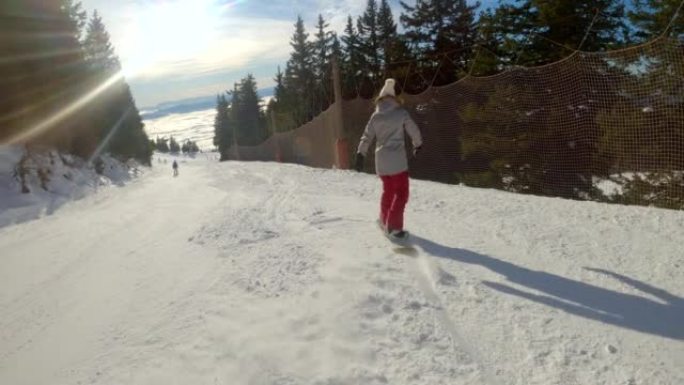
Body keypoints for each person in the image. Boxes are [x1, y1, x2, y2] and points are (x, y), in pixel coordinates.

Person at [354, 78, 422, 241]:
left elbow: (367, 136)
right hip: (397, 161)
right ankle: (394, 227)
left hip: (381, 161)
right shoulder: (401, 113)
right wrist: (418, 144)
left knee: (388, 191)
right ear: (393, 98)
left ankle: (384, 220)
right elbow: (413, 129)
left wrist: (360, 153)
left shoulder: (375, 116)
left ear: (381, 99)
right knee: (401, 193)